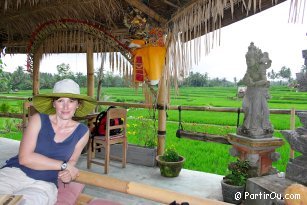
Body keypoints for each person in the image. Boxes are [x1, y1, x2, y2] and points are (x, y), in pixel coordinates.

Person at [0, 79, 96, 205]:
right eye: (60, 100)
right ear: (53, 103)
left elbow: (71, 163)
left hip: (44, 184)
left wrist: (68, 175)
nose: (66, 106)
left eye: (71, 101)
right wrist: (63, 165)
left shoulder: (82, 132)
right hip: (15, 173)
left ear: (78, 104)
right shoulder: (38, 120)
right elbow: (25, 158)